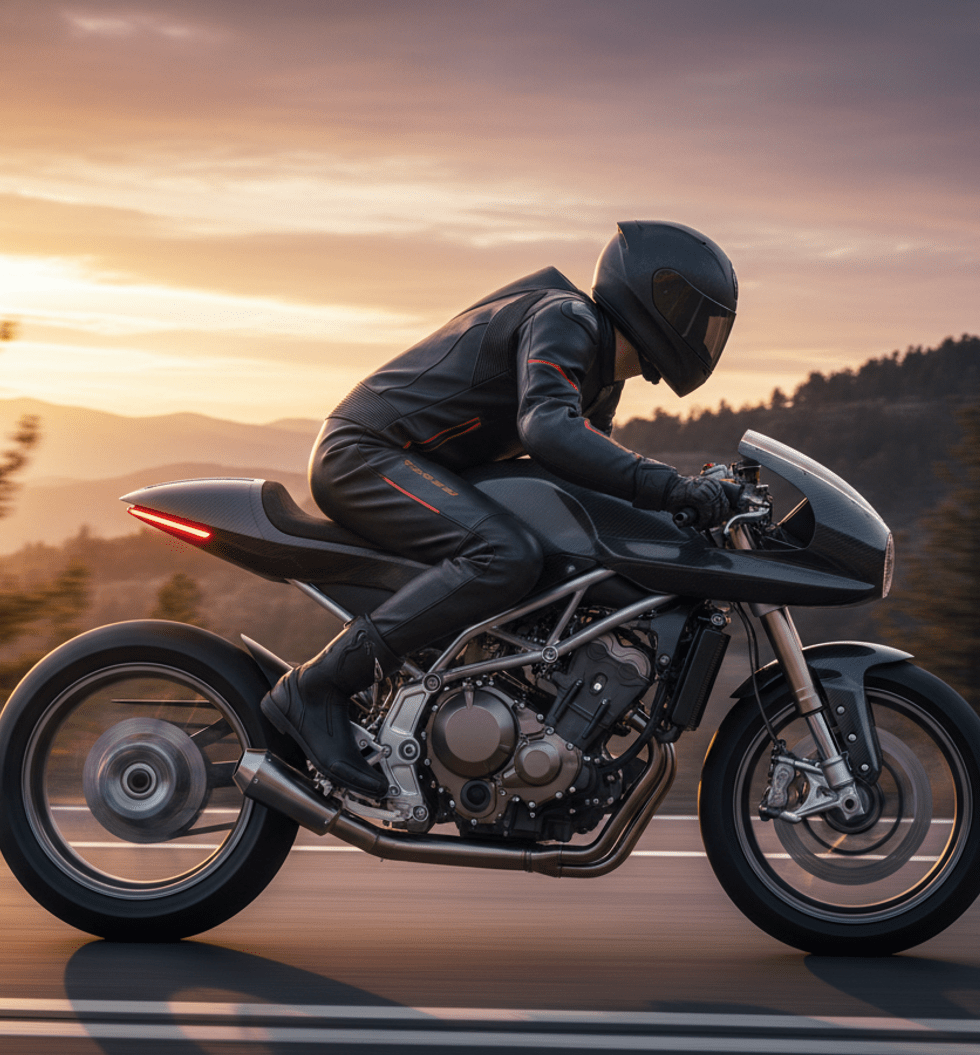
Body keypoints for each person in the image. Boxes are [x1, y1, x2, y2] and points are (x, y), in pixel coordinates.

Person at [262, 219, 739, 798]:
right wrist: (669, 488)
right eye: (701, 319)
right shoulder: (568, 320)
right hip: (364, 453)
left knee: (564, 562)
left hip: (421, 467)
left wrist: (680, 514)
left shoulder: (600, 375)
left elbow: (587, 475)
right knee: (504, 555)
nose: (704, 336)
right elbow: (548, 429)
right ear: (664, 301)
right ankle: (316, 686)